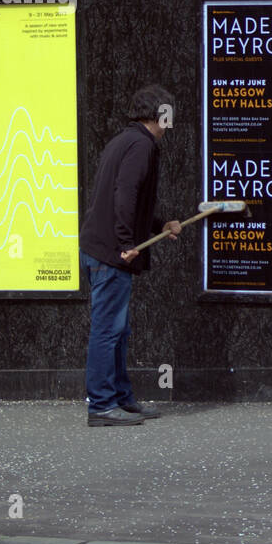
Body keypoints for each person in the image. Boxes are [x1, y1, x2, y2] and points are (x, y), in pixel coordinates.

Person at [79, 85, 182, 427]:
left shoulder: (127, 140)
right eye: (169, 115)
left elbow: (128, 201)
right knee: (108, 330)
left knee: (118, 331)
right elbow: (125, 194)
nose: (171, 123)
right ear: (159, 114)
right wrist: (126, 243)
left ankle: (121, 398)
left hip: (103, 248)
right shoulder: (141, 145)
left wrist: (159, 224)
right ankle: (101, 406)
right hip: (111, 253)